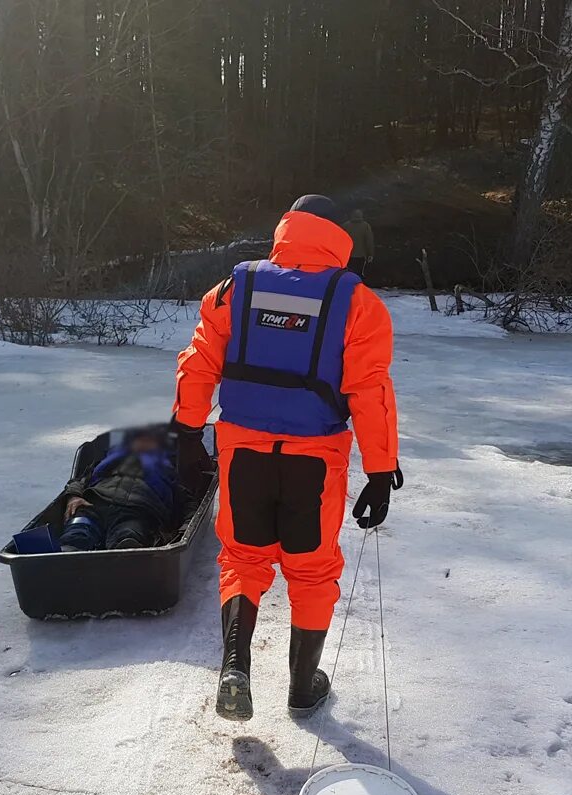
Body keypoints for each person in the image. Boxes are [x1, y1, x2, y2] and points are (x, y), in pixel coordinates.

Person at [172, 194, 401, 720]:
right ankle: (303, 685)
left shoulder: (236, 288)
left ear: (287, 229)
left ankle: (236, 665)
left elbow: (199, 359)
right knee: (312, 571)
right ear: (339, 236)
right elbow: (370, 390)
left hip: (242, 448)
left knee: (244, 559)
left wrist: (187, 429)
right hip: (315, 459)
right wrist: (381, 469)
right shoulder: (358, 301)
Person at [60, 428, 182, 551]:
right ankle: (68, 552)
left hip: (137, 509)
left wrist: (184, 527)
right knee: (77, 532)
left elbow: (187, 500)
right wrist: (74, 496)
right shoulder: (106, 462)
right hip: (94, 503)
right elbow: (79, 481)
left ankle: (126, 554)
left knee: (128, 536)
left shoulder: (166, 469)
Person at [341, 209, 374, 279]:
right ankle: (357, 287)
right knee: (359, 273)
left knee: (348, 273)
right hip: (361, 255)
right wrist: (370, 254)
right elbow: (369, 241)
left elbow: (340, 240)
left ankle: (348, 287)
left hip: (348, 255)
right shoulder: (366, 226)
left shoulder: (346, 225)